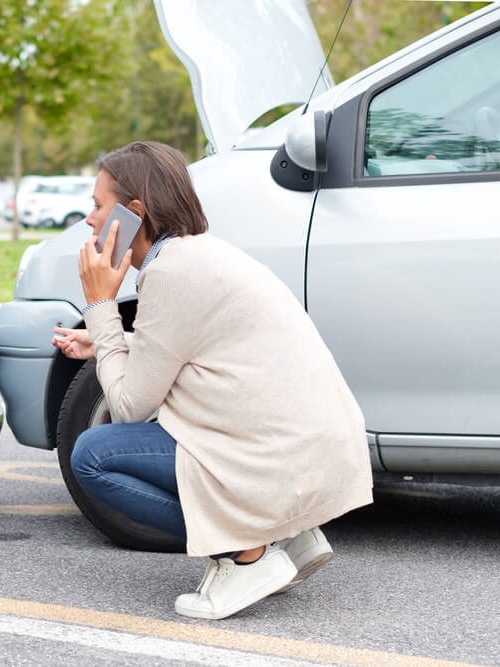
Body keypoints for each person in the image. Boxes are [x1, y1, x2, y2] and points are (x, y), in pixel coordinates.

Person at [52, 141, 373, 621]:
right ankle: (288, 534)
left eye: (98, 206)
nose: (89, 220)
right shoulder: (196, 256)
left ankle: (245, 554)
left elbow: (129, 404)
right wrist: (104, 342)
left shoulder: (169, 272)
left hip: (275, 457)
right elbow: (189, 349)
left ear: (133, 212)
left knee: (92, 456)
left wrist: (100, 307)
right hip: (305, 448)